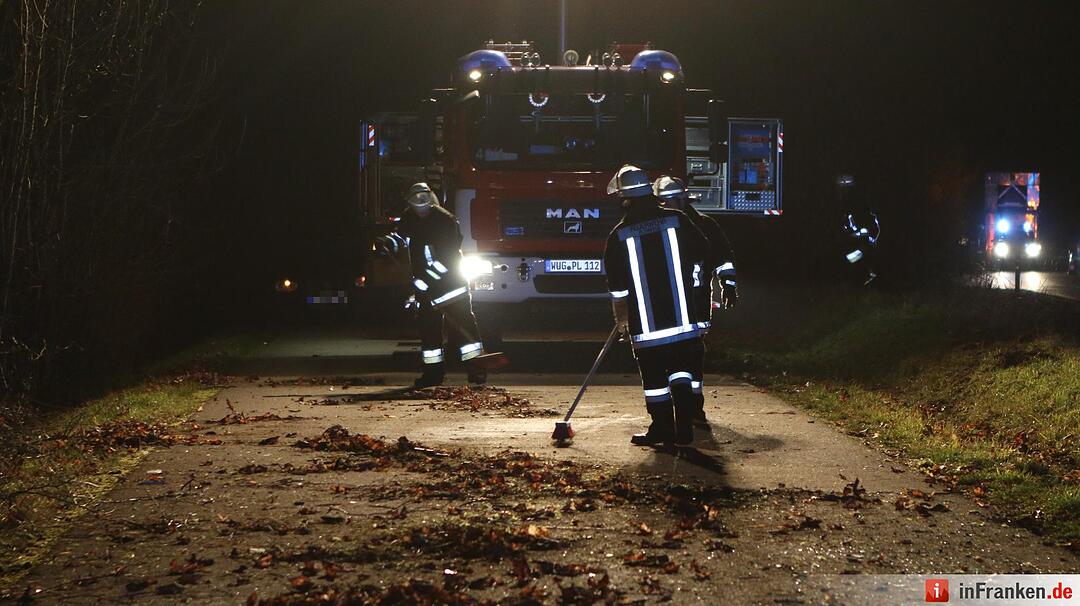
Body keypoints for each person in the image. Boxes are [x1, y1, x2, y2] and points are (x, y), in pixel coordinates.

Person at [603, 165, 709, 447]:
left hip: (647, 326)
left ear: (624, 199)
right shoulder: (677, 219)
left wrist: (621, 320)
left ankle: (662, 429)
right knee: (682, 373)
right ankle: (684, 429)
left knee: (655, 383)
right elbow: (702, 253)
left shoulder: (619, 234)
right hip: (684, 320)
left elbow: (618, 288)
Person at [376, 183, 486, 388]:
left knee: (463, 328)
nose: (420, 205)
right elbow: (402, 237)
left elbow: (447, 258)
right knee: (429, 331)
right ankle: (433, 374)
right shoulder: (409, 219)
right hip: (425, 290)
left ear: (431, 199)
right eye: (415, 201)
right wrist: (387, 242)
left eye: (423, 199)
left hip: (451, 286)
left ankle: (476, 370)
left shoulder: (445, 221)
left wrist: (424, 280)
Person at [653, 175, 738, 426]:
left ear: (682, 199)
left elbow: (724, 258)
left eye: (671, 200)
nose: (667, 205)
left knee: (692, 358)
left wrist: (728, 285)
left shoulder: (705, 225)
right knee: (670, 358)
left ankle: (693, 409)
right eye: (663, 201)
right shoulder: (657, 227)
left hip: (695, 305)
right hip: (668, 306)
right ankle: (674, 410)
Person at [836, 174, 880, 286]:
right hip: (857, 244)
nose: (840, 192)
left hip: (864, 245)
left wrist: (862, 241)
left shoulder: (857, 206)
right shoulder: (845, 207)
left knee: (849, 262)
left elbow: (867, 229)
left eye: (842, 188)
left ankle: (866, 279)